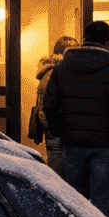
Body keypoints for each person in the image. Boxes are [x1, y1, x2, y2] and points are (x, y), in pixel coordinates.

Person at [43, 20, 109, 217]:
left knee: (76, 199)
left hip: (73, 144)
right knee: (101, 199)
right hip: (106, 144)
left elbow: (49, 106)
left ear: (84, 39)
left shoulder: (62, 68)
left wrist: (61, 133)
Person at [33, 35, 78, 179]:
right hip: (61, 131)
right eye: (72, 51)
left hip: (55, 131)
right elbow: (46, 107)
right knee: (63, 177)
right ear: (61, 53)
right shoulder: (58, 73)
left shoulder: (49, 71)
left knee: (58, 175)